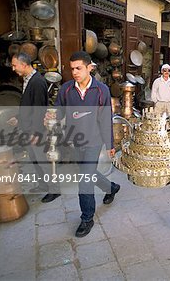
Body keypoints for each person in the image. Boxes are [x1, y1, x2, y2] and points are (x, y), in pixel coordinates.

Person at [49, 51, 120, 237]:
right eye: (72, 68)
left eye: (78, 68)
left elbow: (106, 119)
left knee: (84, 181)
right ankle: (111, 188)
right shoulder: (66, 89)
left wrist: (109, 144)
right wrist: (52, 115)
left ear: (90, 68)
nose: (74, 72)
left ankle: (87, 218)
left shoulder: (101, 90)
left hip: (94, 142)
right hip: (75, 141)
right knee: (86, 172)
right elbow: (60, 110)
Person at [9, 53, 56, 203]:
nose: (13, 68)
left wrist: (36, 133)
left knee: (43, 160)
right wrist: (18, 118)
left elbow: (39, 109)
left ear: (24, 64)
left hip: (36, 131)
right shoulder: (27, 79)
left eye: (14, 65)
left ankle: (55, 190)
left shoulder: (37, 82)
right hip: (27, 128)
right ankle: (43, 184)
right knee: (34, 159)